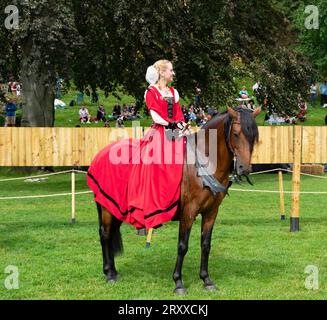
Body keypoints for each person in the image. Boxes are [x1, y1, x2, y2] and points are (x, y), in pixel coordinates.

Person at [87, 59, 189, 230]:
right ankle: (152, 206)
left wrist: (181, 126)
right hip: (159, 131)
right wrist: (171, 125)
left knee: (192, 156)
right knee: (155, 161)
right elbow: (156, 116)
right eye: (171, 70)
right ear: (162, 73)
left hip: (174, 131)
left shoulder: (174, 92)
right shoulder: (151, 92)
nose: (173, 73)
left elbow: (178, 115)